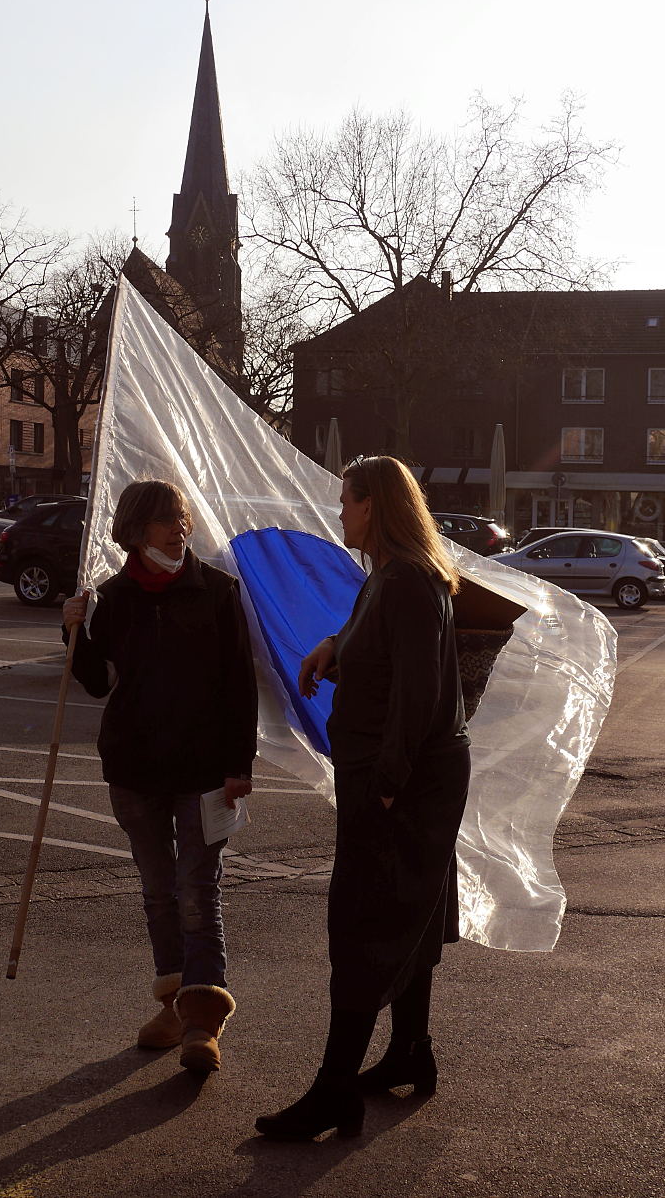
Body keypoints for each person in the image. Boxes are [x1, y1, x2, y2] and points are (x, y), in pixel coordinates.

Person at [255, 456, 471, 1140]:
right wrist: (332, 647)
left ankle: (332, 1093)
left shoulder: (406, 580)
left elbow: (419, 692)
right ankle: (410, 1051)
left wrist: (386, 787)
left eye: (346, 502)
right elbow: (379, 646)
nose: (339, 513)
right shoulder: (391, 576)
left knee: (363, 924)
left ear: (373, 505)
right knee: (410, 916)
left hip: (400, 781)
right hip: (406, 776)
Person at [62, 479, 257, 1074]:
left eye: (183, 517)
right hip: (135, 768)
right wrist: (74, 629)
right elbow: (97, 681)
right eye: (168, 519)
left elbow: (238, 684)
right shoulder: (115, 597)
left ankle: (203, 1020)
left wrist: (237, 766)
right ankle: (173, 1008)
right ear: (136, 527)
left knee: (198, 892)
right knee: (157, 893)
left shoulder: (217, 590)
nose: (181, 527)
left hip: (201, 771)